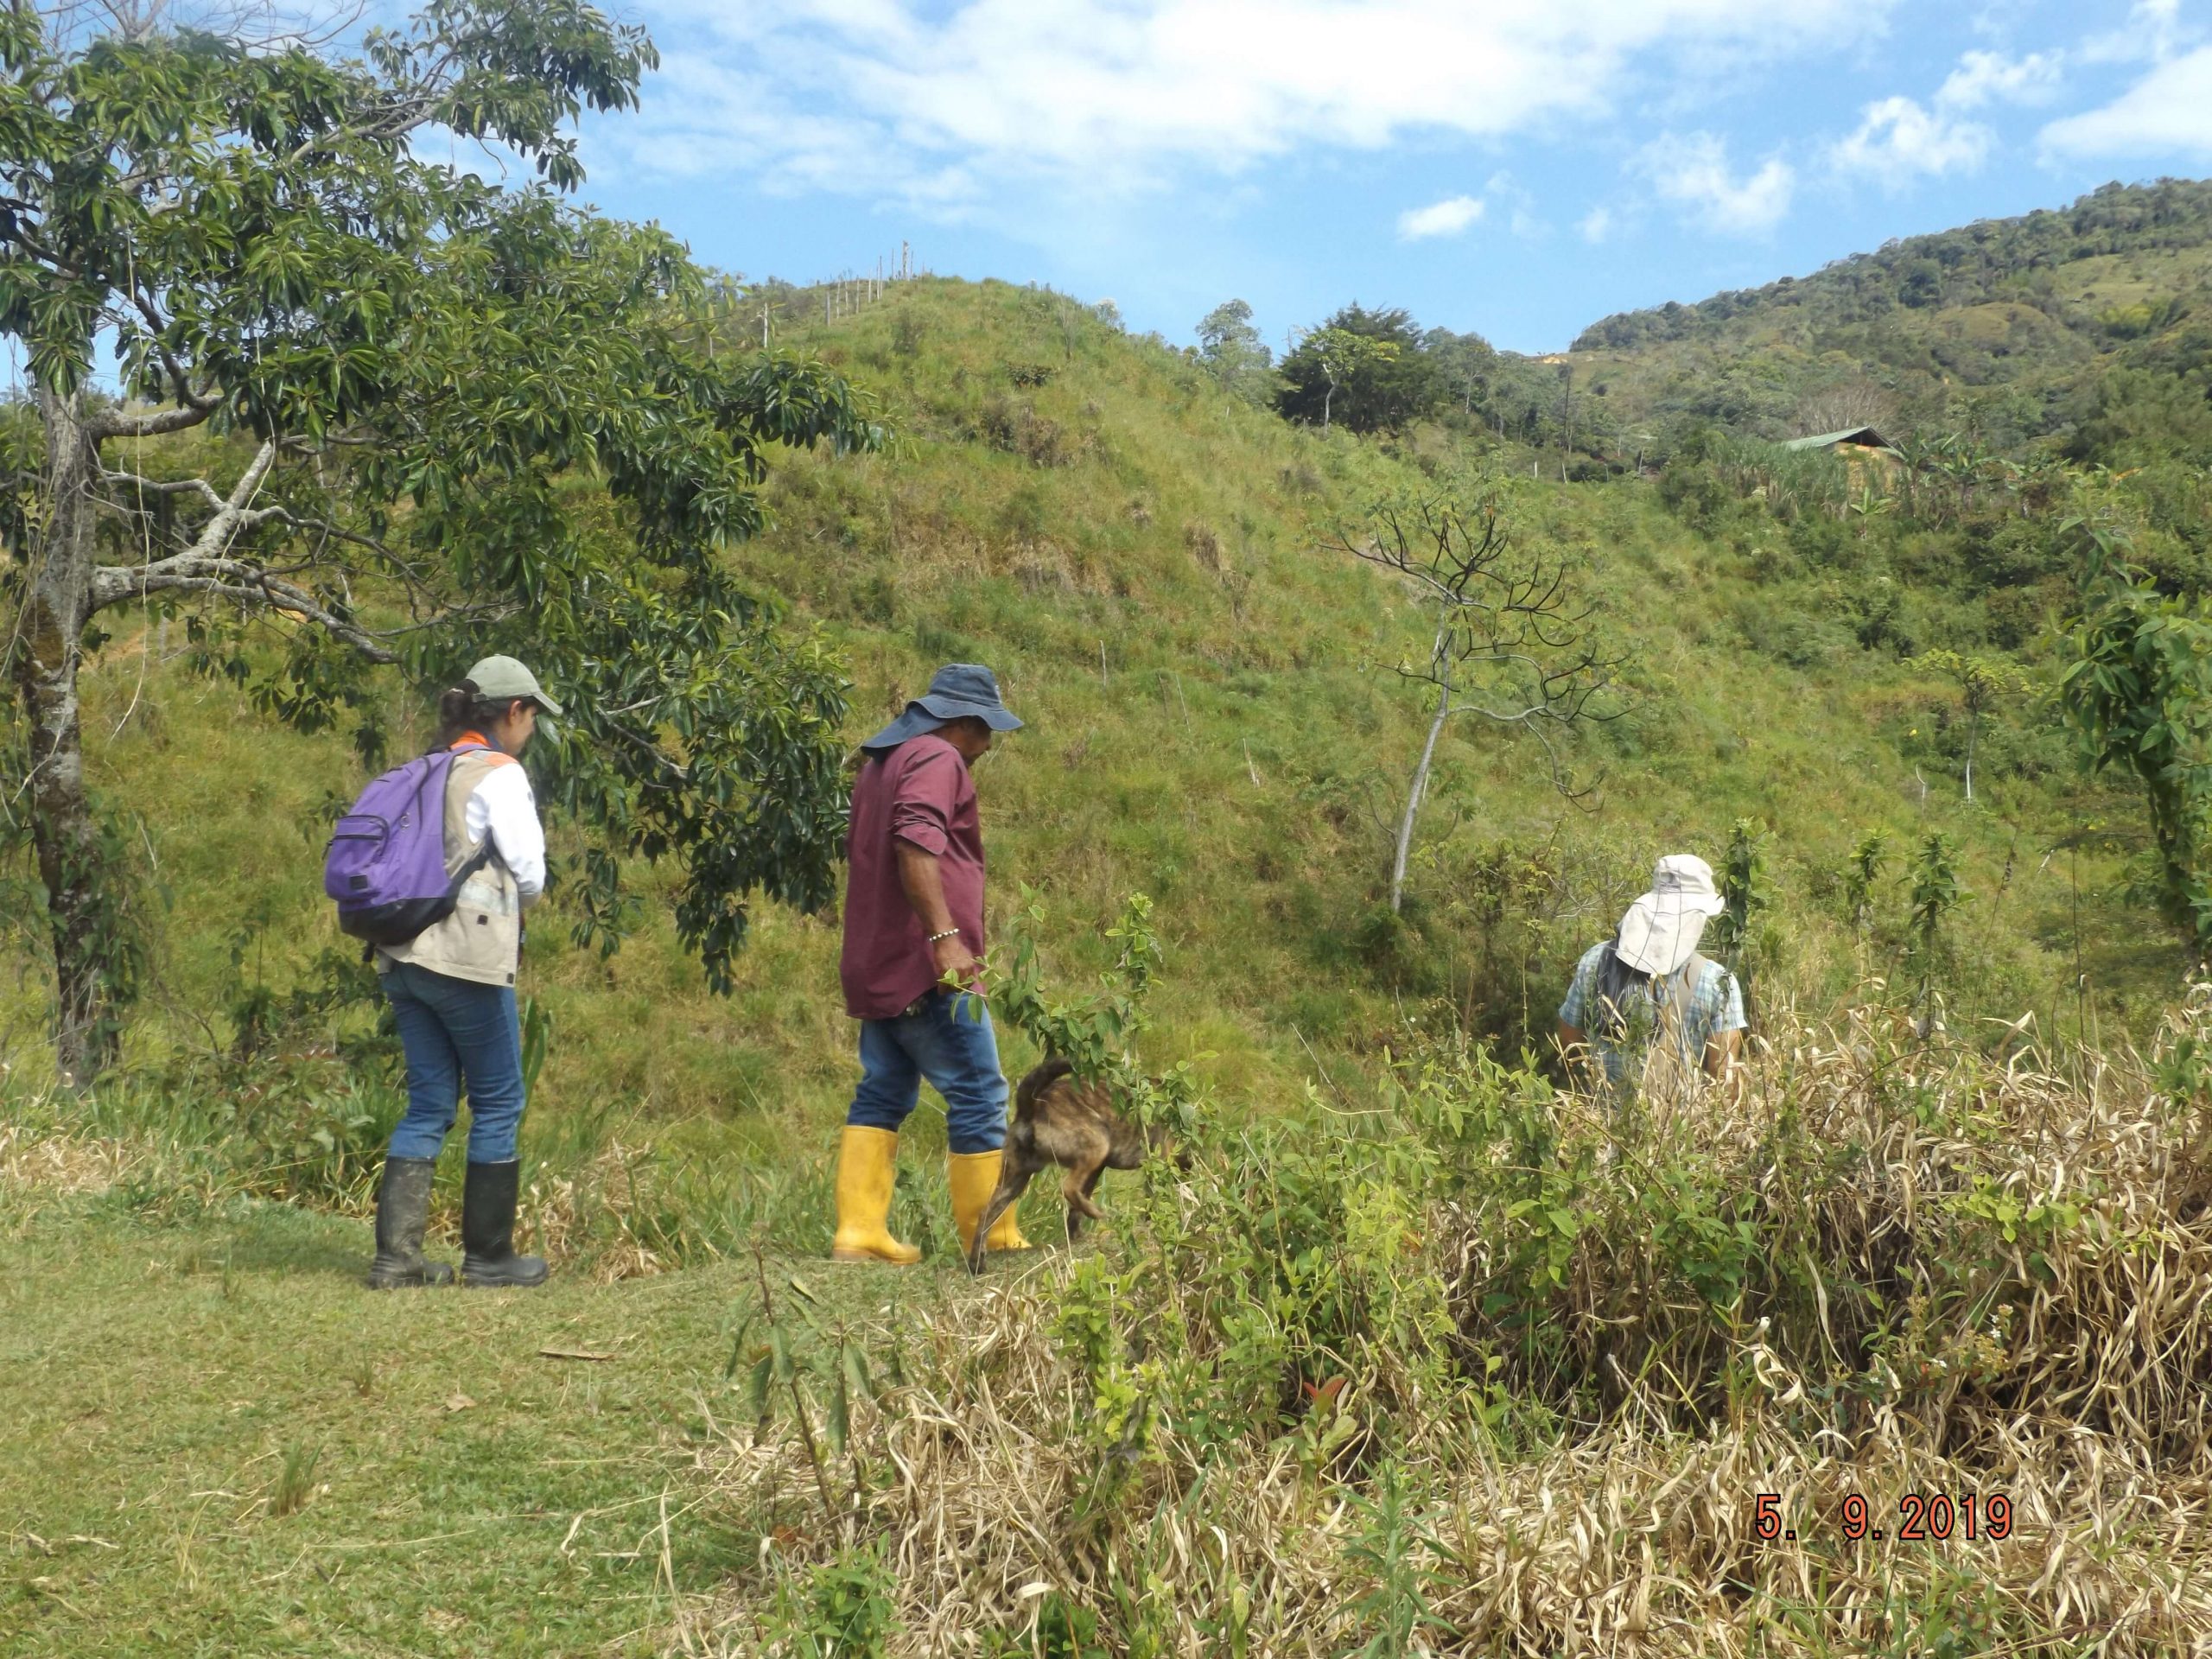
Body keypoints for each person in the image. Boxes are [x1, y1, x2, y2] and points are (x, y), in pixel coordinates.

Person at [365, 656, 560, 1291]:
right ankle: (489, 1257)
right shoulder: (499, 774)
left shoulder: (430, 762)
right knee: (500, 1098)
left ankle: (398, 1259)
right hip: (465, 961)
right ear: (513, 712)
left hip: (400, 953)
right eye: (532, 716)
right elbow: (530, 875)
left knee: (428, 1102)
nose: (530, 730)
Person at [830, 663, 1034, 1266]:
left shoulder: (882, 763)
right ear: (961, 722)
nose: (989, 745)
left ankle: (859, 1233)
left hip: (877, 961)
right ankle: (992, 1239)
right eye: (986, 730)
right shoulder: (939, 760)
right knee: (978, 1090)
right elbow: (915, 842)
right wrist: (945, 938)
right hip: (926, 966)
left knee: (884, 1089)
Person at [1556, 853, 1746, 1113]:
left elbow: (1569, 1043)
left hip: (1600, 1130)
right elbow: (1723, 1078)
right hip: (1681, 1141)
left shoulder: (1595, 960)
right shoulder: (1718, 982)